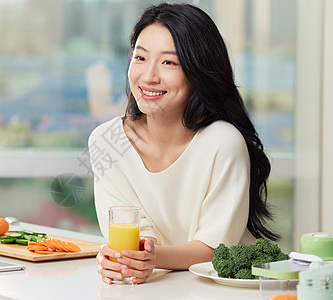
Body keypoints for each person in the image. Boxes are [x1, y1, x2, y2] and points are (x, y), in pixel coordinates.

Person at [88, 3, 278, 285]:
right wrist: (129, 259)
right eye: (140, 58)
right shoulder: (107, 141)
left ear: (198, 71)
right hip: (158, 290)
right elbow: (135, 238)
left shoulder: (222, 142)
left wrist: (150, 259)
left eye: (169, 62)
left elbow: (215, 248)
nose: (149, 75)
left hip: (226, 290)